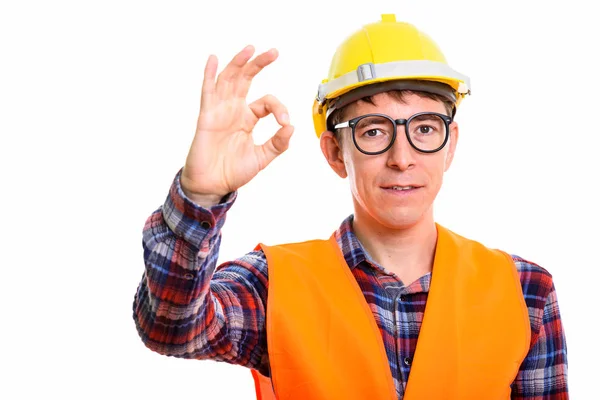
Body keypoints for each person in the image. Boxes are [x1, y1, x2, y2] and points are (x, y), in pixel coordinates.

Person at [133, 14, 568, 399]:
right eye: (374, 131)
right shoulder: (274, 285)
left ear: (450, 146)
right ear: (336, 153)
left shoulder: (525, 292)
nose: (403, 157)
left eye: (426, 127)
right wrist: (201, 195)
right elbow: (171, 327)